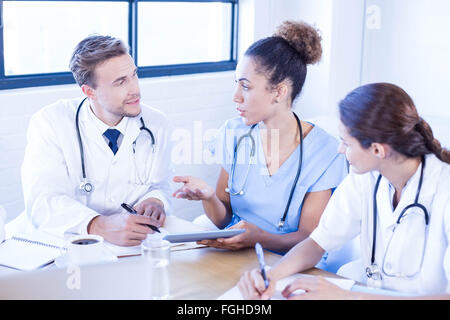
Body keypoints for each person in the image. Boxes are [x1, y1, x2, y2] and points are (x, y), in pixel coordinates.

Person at [238, 82, 450, 299]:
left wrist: (348, 297)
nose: (340, 150)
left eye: (346, 143)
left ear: (377, 149)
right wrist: (271, 276)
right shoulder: (366, 178)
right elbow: (317, 243)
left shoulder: (444, 190)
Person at [172, 21, 348, 254]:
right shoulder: (233, 134)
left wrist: (260, 239)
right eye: (236, 84)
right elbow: (225, 221)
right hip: (238, 255)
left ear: (279, 91)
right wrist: (209, 197)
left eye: (246, 87)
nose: (236, 97)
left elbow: (310, 238)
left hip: (290, 264)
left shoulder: (326, 153)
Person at [8, 35, 173, 246]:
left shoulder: (157, 124)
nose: (135, 89)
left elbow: (161, 184)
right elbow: (42, 201)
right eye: (121, 82)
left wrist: (155, 200)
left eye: (134, 75)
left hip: (130, 245)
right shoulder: (50, 122)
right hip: (59, 244)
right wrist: (97, 225)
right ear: (89, 91)